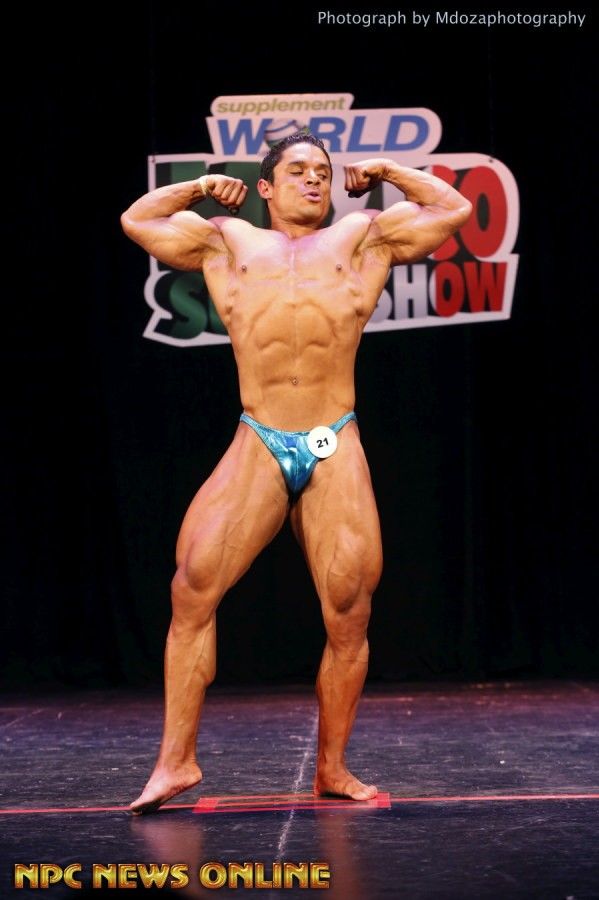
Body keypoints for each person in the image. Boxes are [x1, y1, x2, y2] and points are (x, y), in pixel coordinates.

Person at [121, 132, 472, 814]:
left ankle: (332, 768)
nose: (314, 180)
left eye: (323, 172)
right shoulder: (227, 241)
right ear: (266, 187)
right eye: (299, 171)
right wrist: (199, 187)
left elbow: (453, 209)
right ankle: (175, 762)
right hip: (258, 434)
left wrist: (391, 169)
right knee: (192, 588)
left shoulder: (362, 238)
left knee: (350, 610)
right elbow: (137, 219)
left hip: (333, 436)